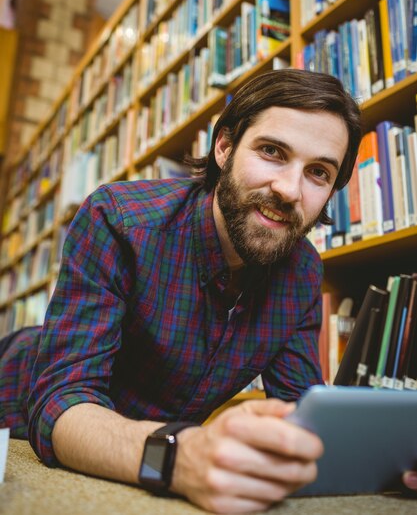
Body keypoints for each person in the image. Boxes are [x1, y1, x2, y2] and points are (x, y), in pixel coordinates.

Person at [1, 69, 415, 513]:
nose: (290, 190)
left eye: (318, 172)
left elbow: (300, 414)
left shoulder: (302, 274)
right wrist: (182, 455)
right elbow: (61, 401)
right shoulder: (118, 220)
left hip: (146, 452)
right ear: (224, 147)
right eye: (272, 152)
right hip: (18, 418)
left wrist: (389, 461)